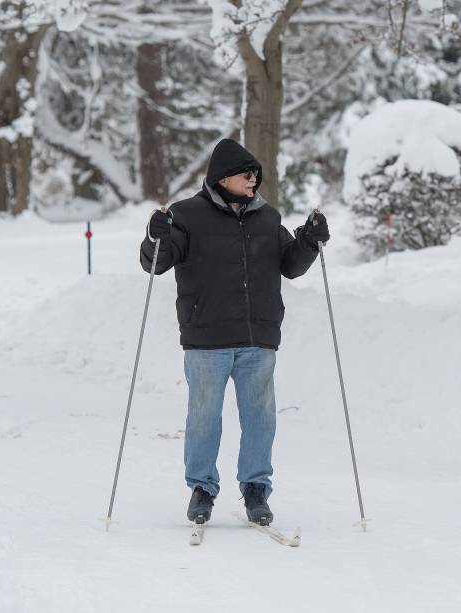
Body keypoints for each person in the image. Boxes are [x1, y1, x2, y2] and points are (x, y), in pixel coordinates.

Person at [140, 138, 329, 526]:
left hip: (257, 337)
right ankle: (202, 489)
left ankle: (256, 488)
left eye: (256, 174)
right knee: (204, 418)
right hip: (206, 337)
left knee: (261, 418)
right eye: (247, 174)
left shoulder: (267, 217)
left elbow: (290, 265)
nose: (253, 180)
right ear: (222, 178)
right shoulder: (186, 214)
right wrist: (154, 235)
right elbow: (156, 263)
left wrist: (310, 241)